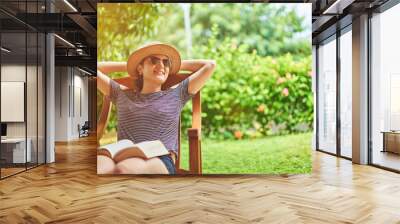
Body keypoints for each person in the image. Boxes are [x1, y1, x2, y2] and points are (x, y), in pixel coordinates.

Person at [97, 42, 216, 174]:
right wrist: (133, 65)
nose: (161, 65)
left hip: (159, 157)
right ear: (140, 69)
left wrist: (172, 66)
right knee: (98, 169)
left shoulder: (177, 94)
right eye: (154, 60)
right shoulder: (121, 94)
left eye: (165, 62)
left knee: (123, 169)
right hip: (120, 154)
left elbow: (210, 65)